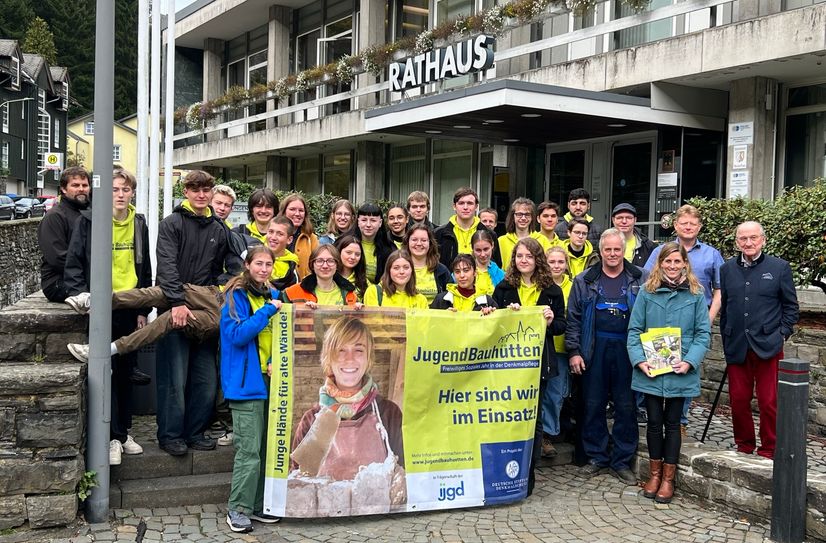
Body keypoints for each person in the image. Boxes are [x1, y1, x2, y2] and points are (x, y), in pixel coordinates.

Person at [63, 168, 151, 465]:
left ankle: (123, 432)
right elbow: (74, 263)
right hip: (101, 307)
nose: (120, 194)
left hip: (129, 305)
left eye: (125, 190)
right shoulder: (89, 221)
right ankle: (110, 436)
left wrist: (142, 309)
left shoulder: (139, 223)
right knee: (105, 370)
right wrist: (82, 295)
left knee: (126, 372)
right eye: (114, 189)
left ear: (132, 193)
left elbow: (145, 267)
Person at [155, 170, 243, 456]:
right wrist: (177, 302)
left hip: (206, 313)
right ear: (187, 192)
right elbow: (166, 266)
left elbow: (233, 266)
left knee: (205, 381)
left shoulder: (219, 229)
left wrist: (219, 292)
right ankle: (170, 436)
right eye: (195, 189)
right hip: (176, 310)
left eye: (206, 189)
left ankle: (194, 432)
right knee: (174, 380)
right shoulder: (171, 223)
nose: (201, 194)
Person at [627, 242, 711, 503]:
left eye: (677, 262)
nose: (672, 267)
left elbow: (702, 334)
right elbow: (634, 331)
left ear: (685, 264)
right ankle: (654, 473)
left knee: (673, 423)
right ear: (659, 264)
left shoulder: (696, 295)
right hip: (651, 370)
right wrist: (640, 361)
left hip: (680, 369)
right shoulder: (646, 292)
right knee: (653, 422)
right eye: (668, 262)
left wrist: (690, 362)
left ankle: (668, 478)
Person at [566, 228, 647, 485]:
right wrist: (574, 352)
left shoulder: (640, 278)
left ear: (624, 250)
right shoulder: (584, 280)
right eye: (607, 249)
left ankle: (621, 460)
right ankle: (597, 456)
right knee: (593, 404)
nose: (612, 254)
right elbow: (574, 320)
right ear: (600, 252)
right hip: (594, 348)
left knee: (626, 406)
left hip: (627, 350)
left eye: (617, 249)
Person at [290, 317, 404, 486]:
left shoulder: (389, 413)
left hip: (377, 512)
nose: (349, 359)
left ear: (369, 358)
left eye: (358, 350)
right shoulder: (312, 419)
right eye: (341, 350)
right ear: (328, 358)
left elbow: (402, 472)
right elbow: (298, 481)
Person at [492, 237, 565, 496]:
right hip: (507, 365)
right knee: (506, 417)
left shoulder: (552, 290)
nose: (523, 260)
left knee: (532, 420)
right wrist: (505, 314)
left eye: (529, 256)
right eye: (519, 256)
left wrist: (551, 318)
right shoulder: (503, 288)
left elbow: (560, 328)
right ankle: (503, 471)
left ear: (538, 260)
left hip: (539, 364)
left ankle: (527, 475)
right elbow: (491, 325)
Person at [719, 221, 799, 460]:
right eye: (743, 239)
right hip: (737, 345)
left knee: (769, 401)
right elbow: (727, 306)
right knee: (739, 401)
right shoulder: (727, 269)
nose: (748, 243)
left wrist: (782, 333)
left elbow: (791, 307)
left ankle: (769, 448)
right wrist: (726, 337)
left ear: (763, 239)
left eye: (753, 238)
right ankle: (743, 445)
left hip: (768, 345)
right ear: (737, 242)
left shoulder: (779, 267)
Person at [644, 204, 724, 433]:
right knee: (660, 368)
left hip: (695, 320)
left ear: (699, 227)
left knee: (687, 368)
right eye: (683, 223)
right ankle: (656, 420)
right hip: (663, 319)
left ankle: (680, 422)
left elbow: (719, 290)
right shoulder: (662, 252)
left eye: (692, 223)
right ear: (675, 226)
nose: (688, 227)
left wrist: (708, 319)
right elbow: (648, 282)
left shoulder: (712, 254)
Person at [220, 245, 283, 532]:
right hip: (246, 384)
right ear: (247, 265)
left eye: (269, 264)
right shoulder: (236, 295)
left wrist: (272, 361)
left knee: (264, 449)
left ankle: (256, 505)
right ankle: (238, 508)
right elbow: (236, 335)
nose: (264, 269)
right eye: (259, 264)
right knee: (249, 450)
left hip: (270, 380)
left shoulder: (272, 294)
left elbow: (278, 338)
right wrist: (268, 312)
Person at [38, 166, 91, 302]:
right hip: (58, 282)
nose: (81, 189)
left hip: (84, 277)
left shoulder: (91, 214)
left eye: (85, 185)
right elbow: (58, 258)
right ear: (63, 189)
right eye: (75, 185)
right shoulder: (55, 217)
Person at [540, 246, 573, 458]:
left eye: (561, 262)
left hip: (564, 347)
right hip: (544, 346)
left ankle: (549, 434)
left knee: (557, 394)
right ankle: (542, 436)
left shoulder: (575, 285)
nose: (556, 266)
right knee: (543, 393)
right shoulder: (541, 285)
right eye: (552, 262)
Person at [434, 187, 501, 268]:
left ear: (476, 206)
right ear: (454, 206)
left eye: (470, 203)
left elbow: (497, 265)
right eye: (461, 203)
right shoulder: (439, 234)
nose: (465, 207)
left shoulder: (490, 234)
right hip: (449, 280)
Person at [282, 244, 358, 307]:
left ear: (337, 265)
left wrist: (359, 313)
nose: (325, 266)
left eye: (330, 261)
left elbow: (354, 324)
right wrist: (305, 313)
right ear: (312, 265)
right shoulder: (291, 293)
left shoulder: (350, 295)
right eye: (319, 261)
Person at [498, 198, 552, 270]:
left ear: (532, 217)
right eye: (519, 214)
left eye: (527, 214)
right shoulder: (501, 241)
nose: (523, 218)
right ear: (513, 216)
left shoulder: (543, 240)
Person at [403, 223, 451, 304]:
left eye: (423, 240)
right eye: (414, 240)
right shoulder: (398, 268)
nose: (419, 244)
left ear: (430, 243)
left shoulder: (441, 270)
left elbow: (452, 296)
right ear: (407, 242)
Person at [362, 250, 428, 309]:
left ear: (412, 270)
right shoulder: (374, 292)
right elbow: (373, 321)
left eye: (406, 267)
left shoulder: (421, 300)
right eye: (396, 268)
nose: (401, 272)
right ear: (389, 270)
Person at [430, 254, 497, 312]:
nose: (462, 275)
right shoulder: (441, 300)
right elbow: (430, 324)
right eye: (457, 271)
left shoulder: (488, 302)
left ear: (475, 272)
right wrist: (444, 318)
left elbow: (498, 325)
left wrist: (489, 316)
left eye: (466, 270)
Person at [351, 202, 395, 285]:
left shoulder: (388, 248)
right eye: (364, 220)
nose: (368, 225)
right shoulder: (346, 244)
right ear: (358, 222)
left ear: (380, 223)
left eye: (373, 220)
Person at [279, 193, 319, 279]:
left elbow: (317, 267)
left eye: (301, 210)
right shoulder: (273, 235)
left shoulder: (311, 238)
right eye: (292, 209)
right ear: (284, 211)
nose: (297, 214)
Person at [611, 203, 655, 268]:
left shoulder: (648, 247)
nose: (624, 221)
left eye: (629, 218)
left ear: (635, 220)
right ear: (613, 220)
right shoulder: (603, 244)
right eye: (619, 218)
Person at [265, 216, 300, 291]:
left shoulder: (291, 267)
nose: (273, 237)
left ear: (289, 240)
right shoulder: (254, 258)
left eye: (280, 234)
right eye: (271, 232)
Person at [334, 234, 368, 300]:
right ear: (339, 252)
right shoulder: (329, 277)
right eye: (348, 252)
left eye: (357, 254)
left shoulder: (365, 282)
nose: (353, 257)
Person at [471, 229, 504, 296]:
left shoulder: (502, 275)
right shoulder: (463, 272)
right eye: (478, 250)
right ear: (472, 249)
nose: (483, 254)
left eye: (486, 249)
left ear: (492, 245)